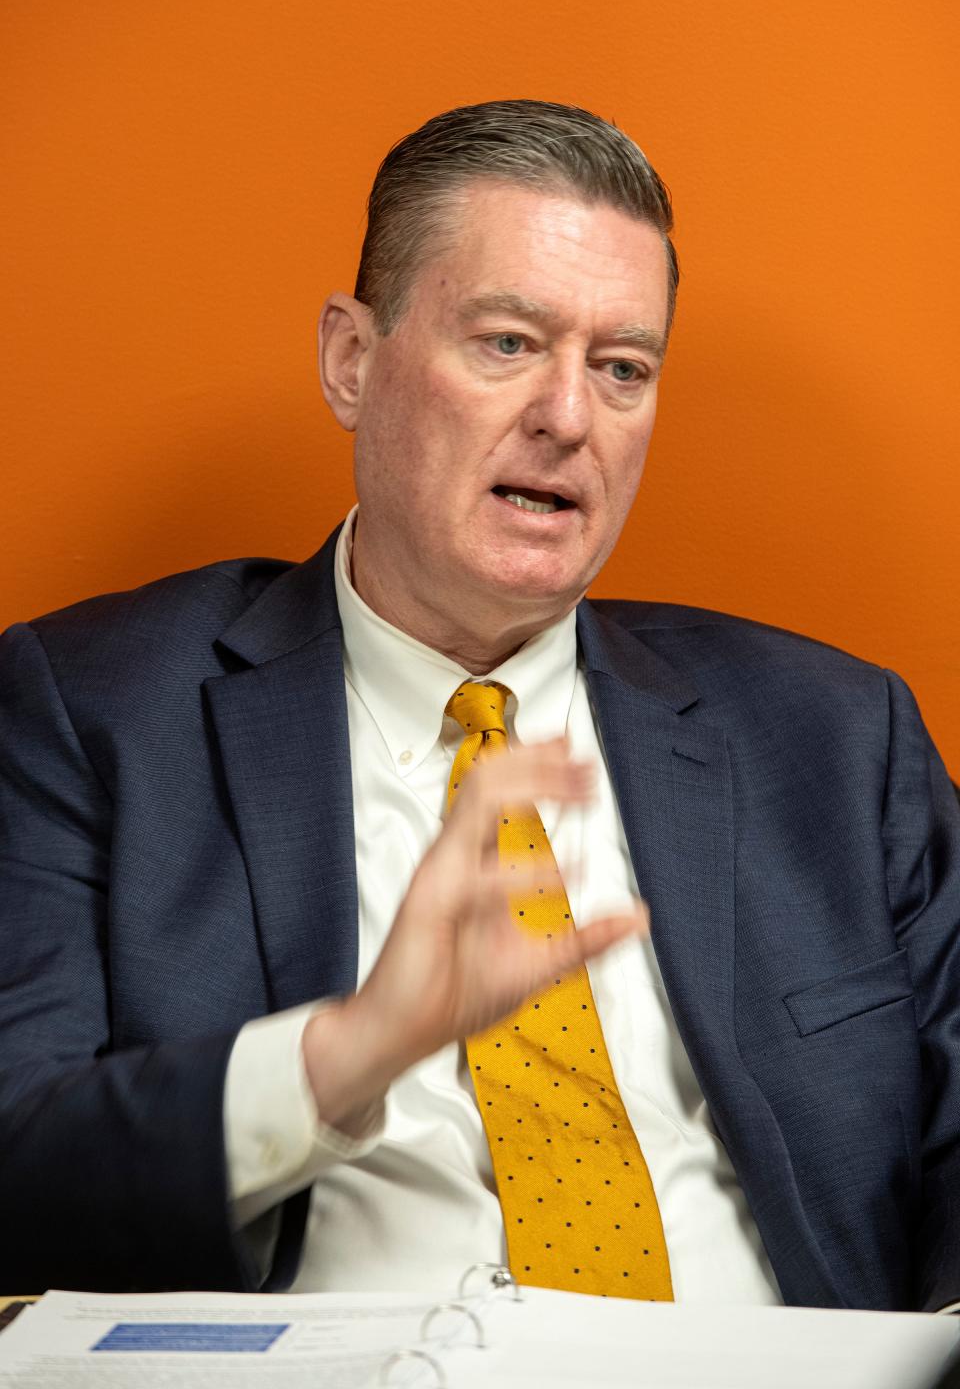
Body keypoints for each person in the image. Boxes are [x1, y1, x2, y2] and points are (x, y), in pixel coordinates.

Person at [1, 99, 958, 1311]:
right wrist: (343, 1055)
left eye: (623, 367)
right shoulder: (88, 712)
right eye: (508, 342)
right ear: (353, 362)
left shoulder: (835, 734)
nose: (569, 417)